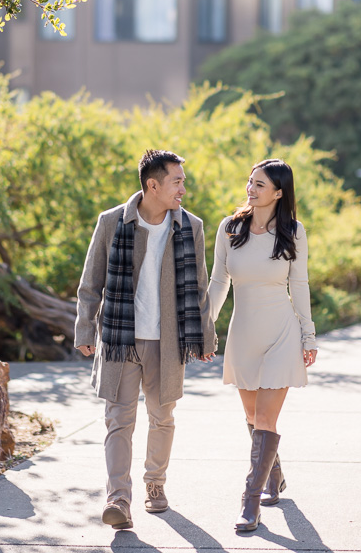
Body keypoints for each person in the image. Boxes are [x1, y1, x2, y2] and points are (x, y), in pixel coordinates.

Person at [74, 149, 216, 531]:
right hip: (120, 337)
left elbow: (199, 288)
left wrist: (205, 335)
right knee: (118, 421)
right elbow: (91, 283)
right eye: (177, 181)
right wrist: (85, 329)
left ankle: (155, 483)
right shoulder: (111, 222)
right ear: (153, 185)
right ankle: (118, 498)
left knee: (162, 416)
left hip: (167, 340)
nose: (183, 188)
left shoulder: (191, 226)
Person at [207, 158, 318, 532]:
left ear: (279, 192)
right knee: (254, 418)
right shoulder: (230, 228)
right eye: (250, 182)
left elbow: (299, 284)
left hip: (282, 332)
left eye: (259, 184)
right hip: (243, 334)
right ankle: (274, 474)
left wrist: (308, 334)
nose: (250, 189)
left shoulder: (293, 230)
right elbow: (218, 282)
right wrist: (205, 325)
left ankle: (249, 503)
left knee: (267, 418)